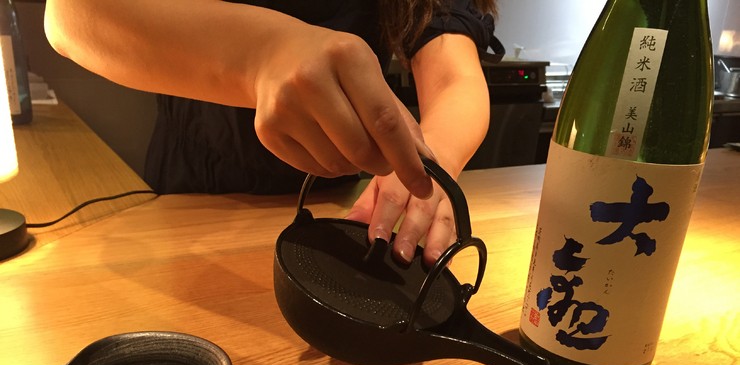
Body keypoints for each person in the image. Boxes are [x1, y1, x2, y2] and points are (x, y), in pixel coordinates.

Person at [44, 0, 499, 266]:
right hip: (190, 196)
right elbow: (69, 15)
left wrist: (431, 163)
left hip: (337, 206)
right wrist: (260, 54)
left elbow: (453, 75)